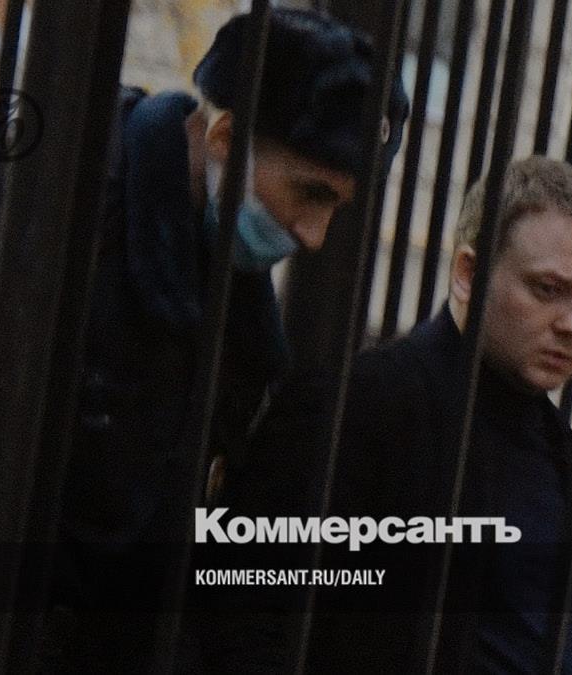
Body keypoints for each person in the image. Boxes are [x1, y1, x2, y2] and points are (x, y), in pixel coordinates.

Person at [43, 7, 409, 669]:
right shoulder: (57, 220)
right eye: (310, 192)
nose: (315, 235)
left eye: (335, 206)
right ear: (224, 138)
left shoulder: (238, 317)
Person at [226, 156, 572, 673]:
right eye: (548, 289)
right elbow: (247, 618)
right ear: (468, 274)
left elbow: (553, 645)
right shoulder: (357, 407)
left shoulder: (561, 449)